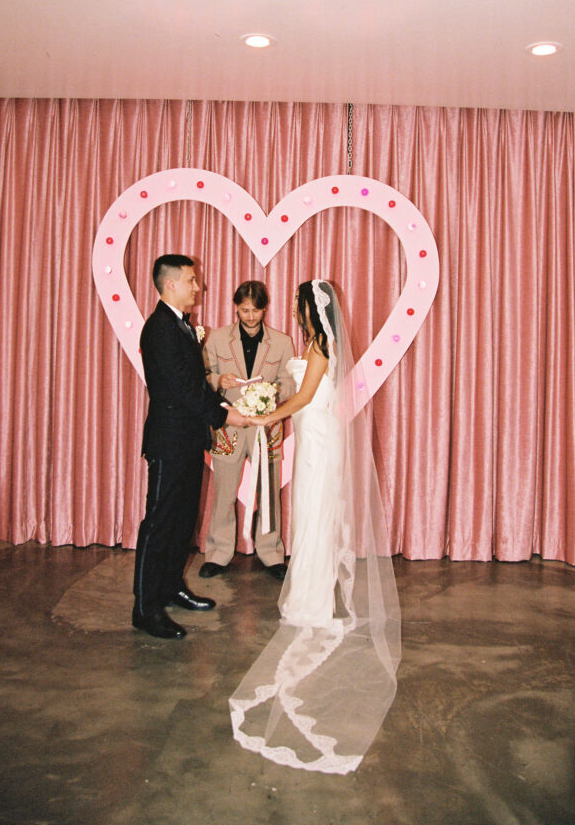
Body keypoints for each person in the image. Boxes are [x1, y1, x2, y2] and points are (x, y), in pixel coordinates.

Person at [229, 280, 401, 773]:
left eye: (301, 305)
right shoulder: (310, 342)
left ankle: (314, 602)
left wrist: (262, 419)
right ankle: (312, 593)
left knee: (316, 517)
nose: (297, 311)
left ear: (312, 309)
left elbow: (305, 398)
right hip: (311, 439)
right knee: (309, 517)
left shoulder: (322, 347)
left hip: (319, 438)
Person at [132, 254, 248, 640]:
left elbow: (192, 382)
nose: (198, 287)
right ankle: (145, 608)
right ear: (171, 286)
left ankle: (170, 586)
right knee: (159, 522)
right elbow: (180, 391)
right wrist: (225, 417)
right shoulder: (160, 329)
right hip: (169, 441)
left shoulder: (181, 324)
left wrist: (217, 390)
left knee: (182, 520)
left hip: (186, 439)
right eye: (192, 280)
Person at [200, 281, 295, 580]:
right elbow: (201, 376)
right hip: (229, 425)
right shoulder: (216, 339)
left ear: (265, 308)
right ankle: (218, 553)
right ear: (235, 307)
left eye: (256, 310)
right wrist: (218, 381)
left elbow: (291, 383)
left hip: (267, 427)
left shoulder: (282, 342)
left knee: (269, 493)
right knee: (224, 492)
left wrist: (269, 394)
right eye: (244, 310)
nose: (250, 316)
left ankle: (271, 554)